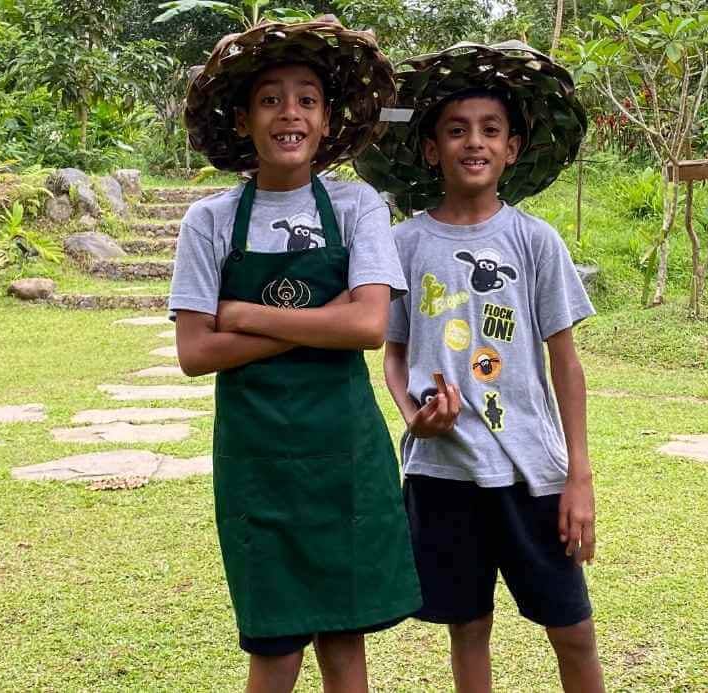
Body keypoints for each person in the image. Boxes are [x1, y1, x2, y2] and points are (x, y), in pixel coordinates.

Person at [169, 18, 421, 693]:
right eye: (271, 99)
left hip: (343, 454)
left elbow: (369, 324)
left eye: (307, 99)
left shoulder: (358, 203)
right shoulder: (211, 221)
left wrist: (247, 314)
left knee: (344, 640)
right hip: (257, 464)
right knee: (274, 648)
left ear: (326, 118)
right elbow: (195, 350)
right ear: (246, 119)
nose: (290, 114)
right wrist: (321, 319)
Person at [355, 41, 604, 692]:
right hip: (442, 474)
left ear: (513, 149)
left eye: (491, 130)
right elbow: (395, 353)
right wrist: (415, 418)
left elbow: (565, 364)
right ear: (431, 148)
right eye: (457, 130)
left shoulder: (535, 241)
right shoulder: (404, 244)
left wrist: (579, 476)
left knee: (572, 629)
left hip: (533, 471)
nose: (475, 142)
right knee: (468, 627)